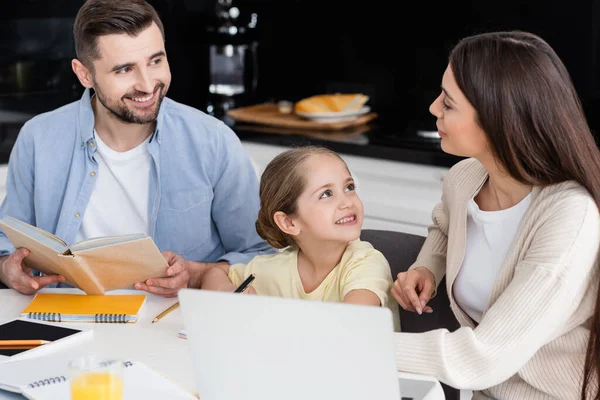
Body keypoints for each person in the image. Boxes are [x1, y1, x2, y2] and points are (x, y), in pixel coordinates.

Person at [0, 0, 274, 296]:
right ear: (84, 75)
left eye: (156, 61)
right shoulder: (38, 139)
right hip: (66, 322)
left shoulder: (212, 141)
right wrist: (7, 267)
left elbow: (262, 254)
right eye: (124, 69)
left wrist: (197, 274)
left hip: (172, 326)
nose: (147, 84)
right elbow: (7, 243)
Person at [391, 31, 600, 399]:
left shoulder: (569, 217)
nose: (433, 109)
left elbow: (478, 360)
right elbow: (444, 224)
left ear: (496, 118)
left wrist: (349, 345)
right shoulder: (465, 179)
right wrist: (427, 267)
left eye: (448, 103)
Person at [202, 146, 400, 330]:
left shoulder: (366, 264)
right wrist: (227, 295)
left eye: (349, 187)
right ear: (288, 223)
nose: (346, 202)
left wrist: (260, 314)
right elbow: (216, 274)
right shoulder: (272, 268)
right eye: (326, 194)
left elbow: (347, 327)